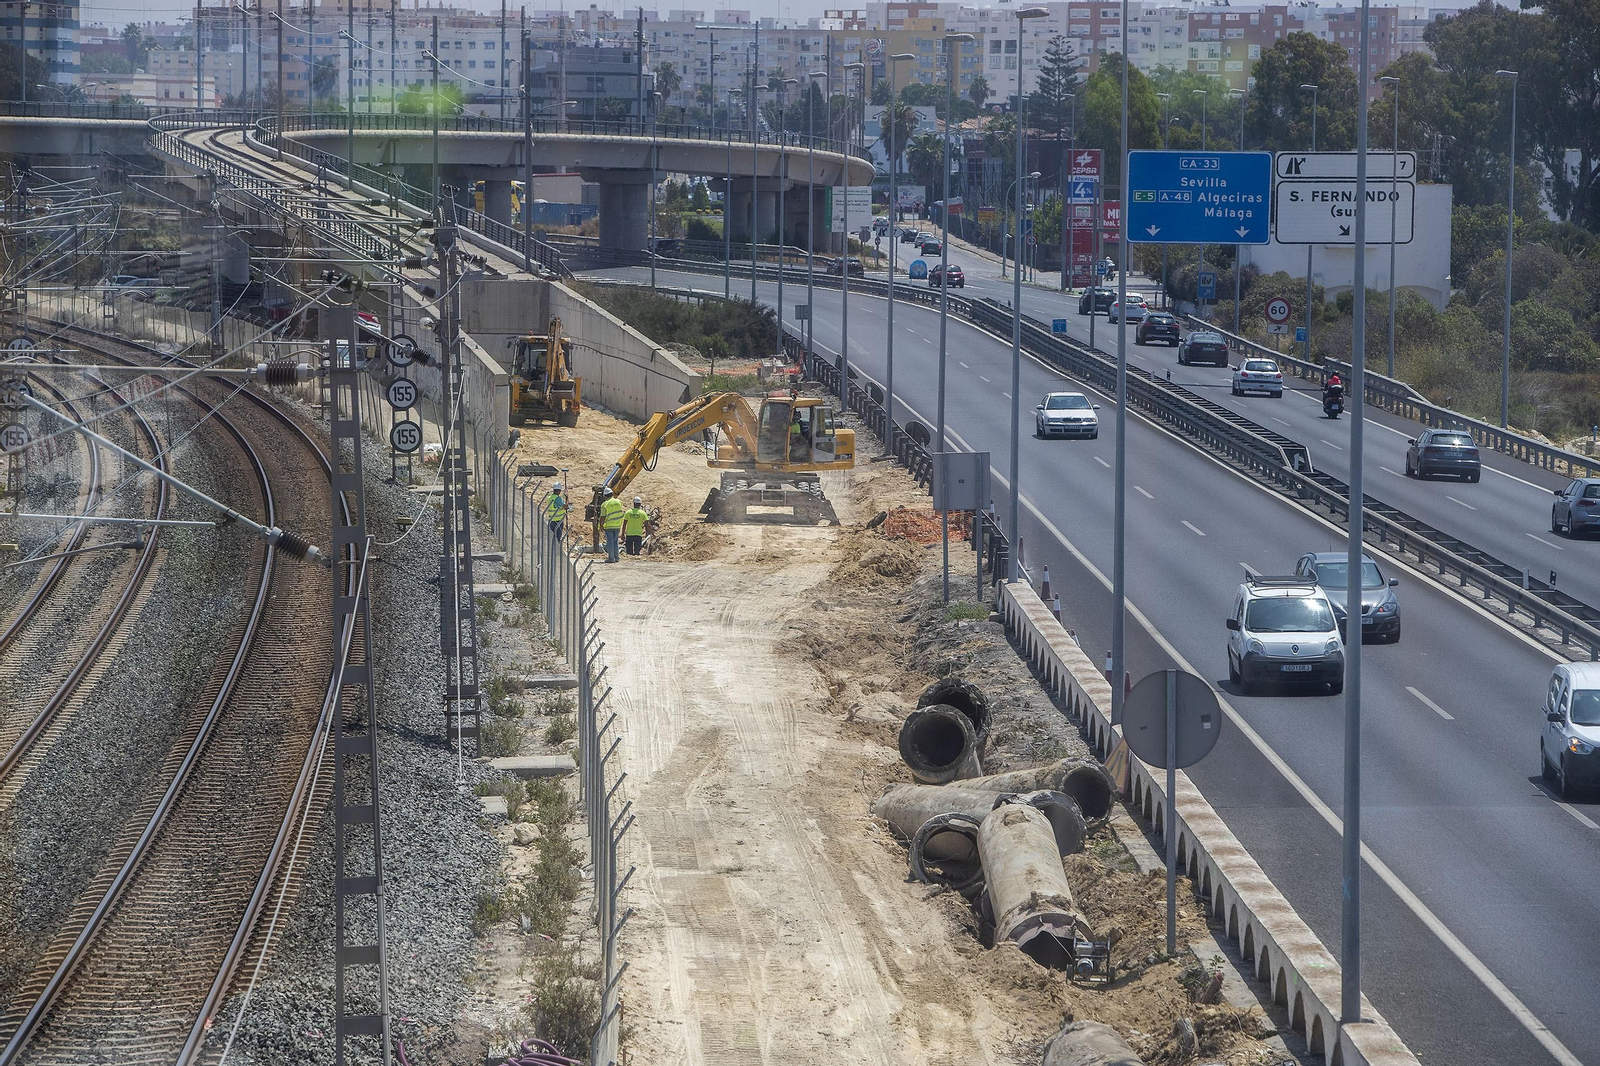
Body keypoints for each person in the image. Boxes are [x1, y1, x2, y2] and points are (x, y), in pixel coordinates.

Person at [599, 487, 625, 562]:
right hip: (617, 525)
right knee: (615, 542)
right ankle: (616, 557)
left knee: (610, 542)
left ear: (605, 496)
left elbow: (603, 517)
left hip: (609, 525)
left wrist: (601, 525)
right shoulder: (618, 502)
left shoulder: (604, 504)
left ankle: (611, 558)